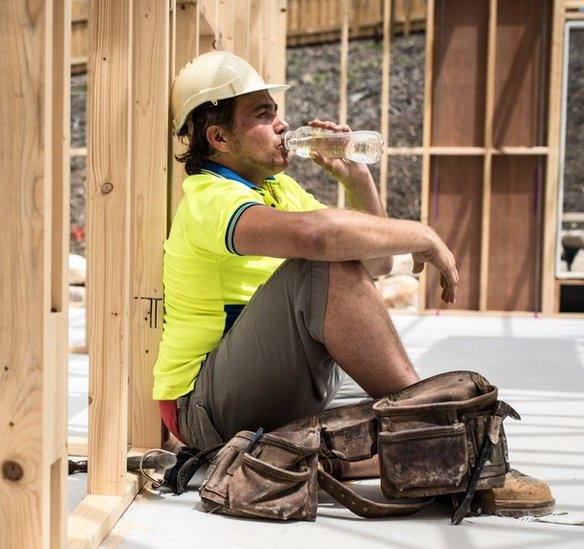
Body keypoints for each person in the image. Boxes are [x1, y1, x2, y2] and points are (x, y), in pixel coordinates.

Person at [154, 50, 552, 516]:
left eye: (276, 111)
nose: (282, 124)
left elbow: (375, 265)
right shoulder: (209, 197)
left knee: (381, 401)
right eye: (263, 115)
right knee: (318, 264)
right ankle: (451, 448)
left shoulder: (276, 190)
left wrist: (357, 179)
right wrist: (422, 233)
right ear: (219, 137)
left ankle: (416, 446)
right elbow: (320, 240)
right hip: (203, 406)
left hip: (264, 387)